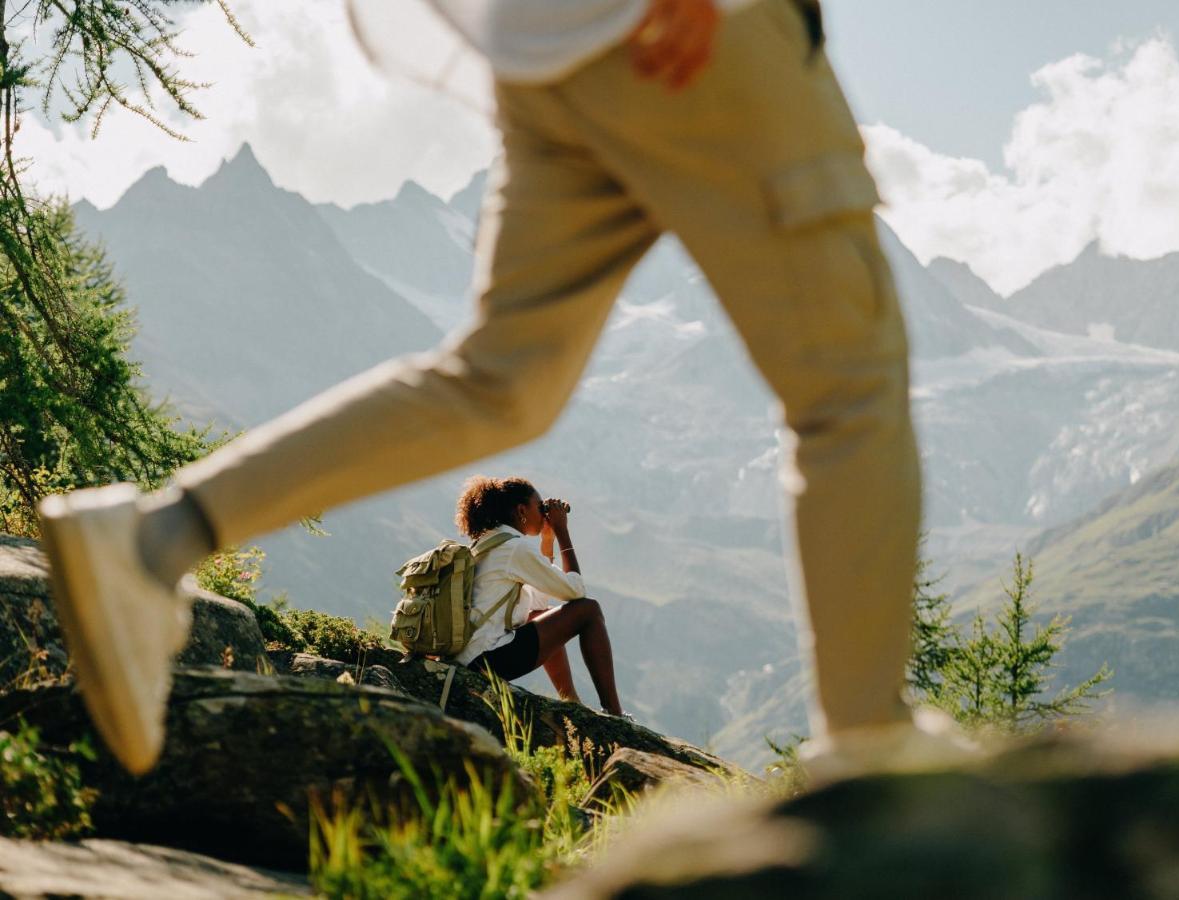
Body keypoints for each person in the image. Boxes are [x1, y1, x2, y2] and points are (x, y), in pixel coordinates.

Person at [37, 0, 952, 777]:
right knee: (849, 394)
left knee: (498, 382)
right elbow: (570, 593)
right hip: (700, 41)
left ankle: (156, 538)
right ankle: (870, 751)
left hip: (546, 40)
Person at [450, 476, 623, 717]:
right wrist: (562, 532)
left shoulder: (490, 541)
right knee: (588, 610)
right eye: (539, 507)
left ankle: (572, 703)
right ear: (522, 510)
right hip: (485, 660)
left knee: (540, 614)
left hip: (469, 656)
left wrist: (548, 540)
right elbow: (576, 591)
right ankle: (615, 713)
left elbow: (537, 604)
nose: (544, 514)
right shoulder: (514, 548)